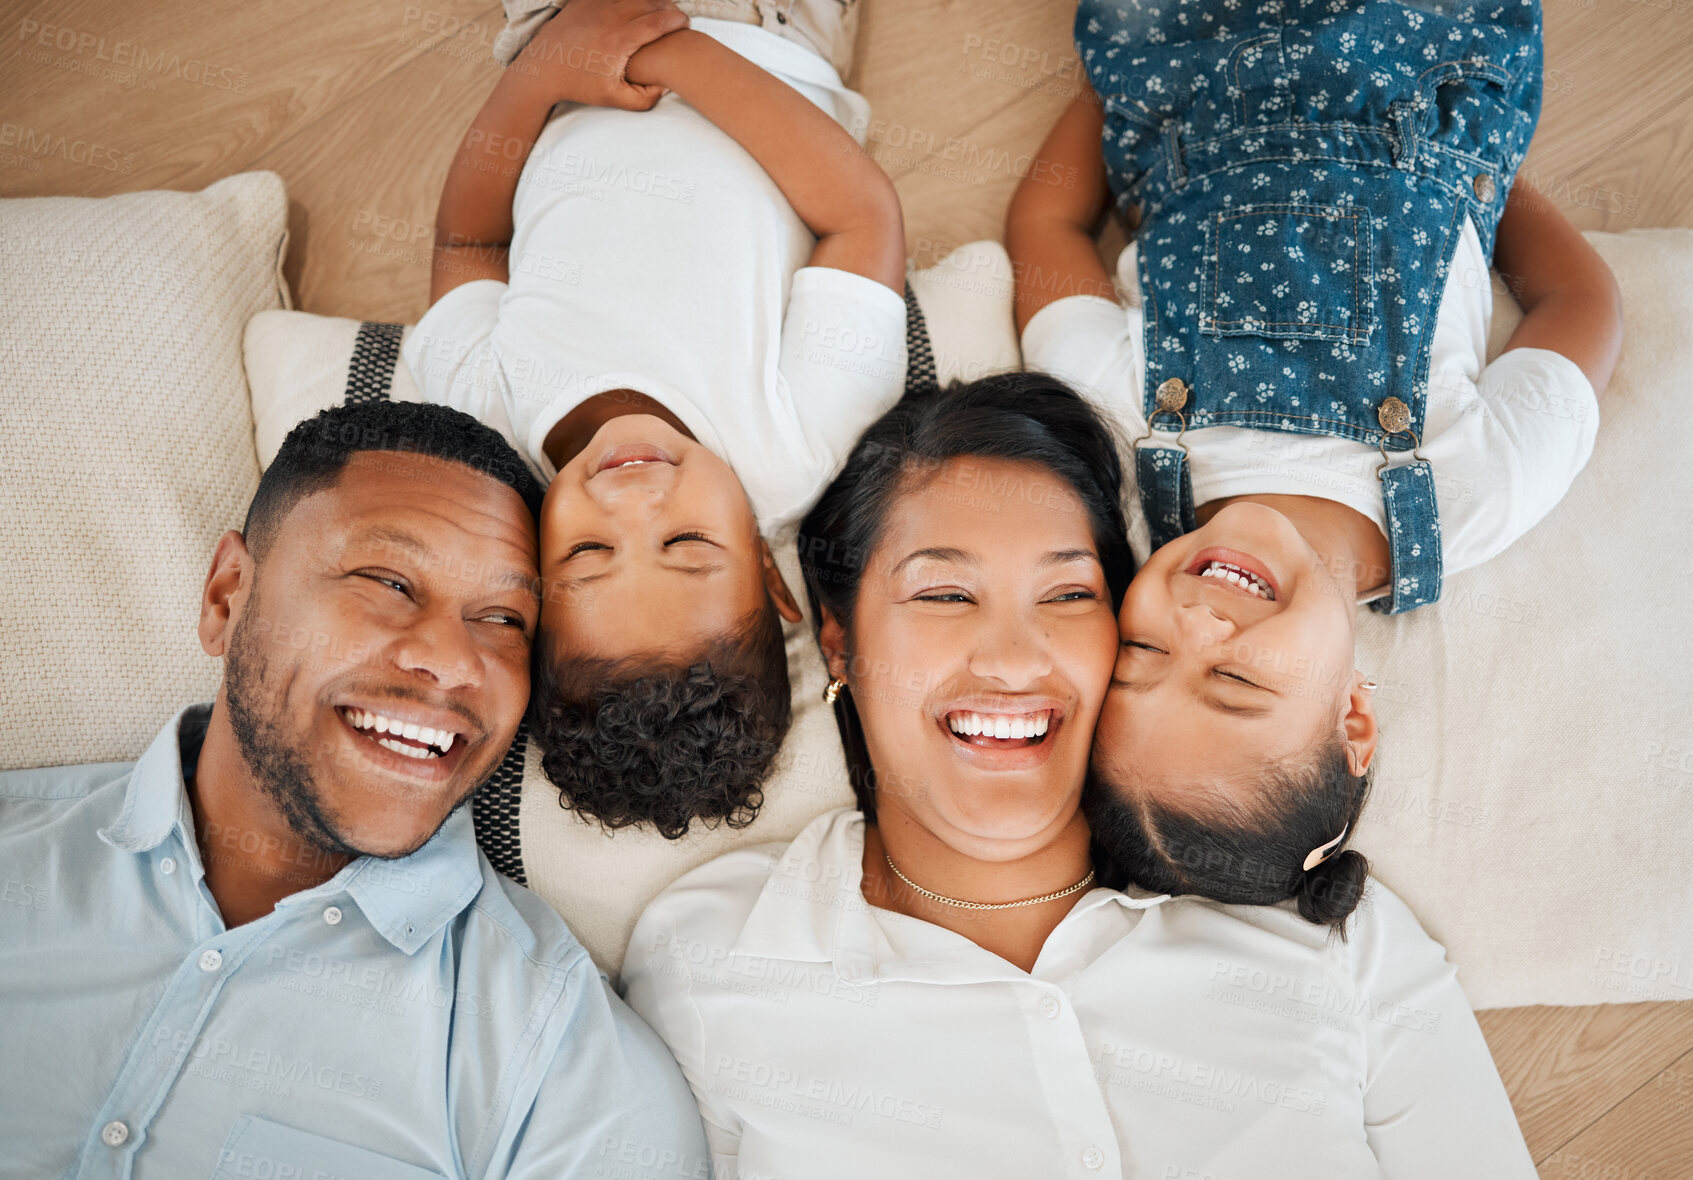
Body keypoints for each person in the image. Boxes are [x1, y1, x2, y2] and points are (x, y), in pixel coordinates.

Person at [619, 374, 1535, 1178]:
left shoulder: (1330, 934)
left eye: (1069, 595)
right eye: (944, 594)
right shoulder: (711, 960)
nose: (1015, 660)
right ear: (840, 641)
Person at [1005, 0, 1623, 920]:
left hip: (1188, 59)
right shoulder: (1471, 497)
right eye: (1237, 680)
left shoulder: (1125, 444)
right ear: (1354, 717)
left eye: (1141, 649)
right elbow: (1580, 300)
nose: (1197, 623)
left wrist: (1112, 85)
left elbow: (1048, 233)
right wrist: (1484, 183)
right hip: (1425, 65)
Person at [0, 401, 708, 1179]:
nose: (451, 659)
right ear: (226, 598)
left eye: (504, 618)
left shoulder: (569, 1076)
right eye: (389, 581)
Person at [404, 0, 907, 840]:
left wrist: (541, 72)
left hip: (568, 41)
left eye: (589, 552)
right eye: (685, 545)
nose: (634, 503)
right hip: (760, 35)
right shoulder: (798, 447)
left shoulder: (487, 421)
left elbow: (468, 247)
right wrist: (674, 54)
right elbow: (861, 217)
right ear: (770, 571)